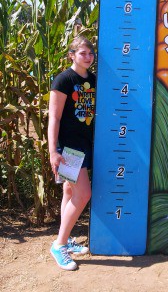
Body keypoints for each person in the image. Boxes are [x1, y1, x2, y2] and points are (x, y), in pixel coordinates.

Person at [48, 36, 96, 270]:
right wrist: (53, 152)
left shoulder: (94, 80)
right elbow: (54, 118)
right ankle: (59, 245)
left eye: (90, 53)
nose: (88, 57)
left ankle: (64, 241)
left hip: (85, 144)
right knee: (83, 194)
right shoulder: (64, 80)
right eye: (83, 53)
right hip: (69, 148)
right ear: (72, 55)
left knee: (69, 190)